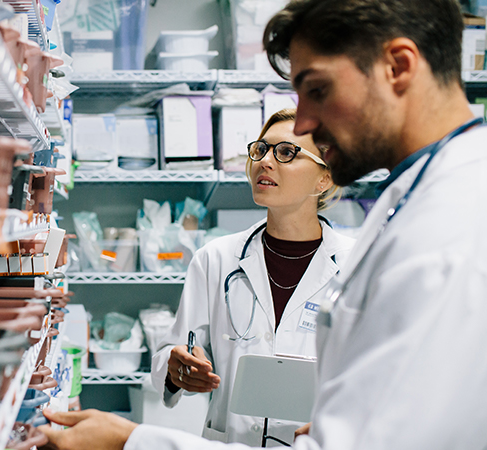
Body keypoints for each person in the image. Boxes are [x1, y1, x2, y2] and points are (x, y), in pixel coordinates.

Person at [40, 1, 487, 449]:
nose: (307, 122)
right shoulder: (415, 196)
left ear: (398, 66)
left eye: (317, 89)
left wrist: (131, 442)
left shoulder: (453, 227)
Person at [149, 108, 354, 446]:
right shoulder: (215, 260)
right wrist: (176, 369)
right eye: (260, 149)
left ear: (324, 179)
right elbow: (171, 353)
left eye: (286, 152)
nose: (265, 162)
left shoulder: (356, 266)